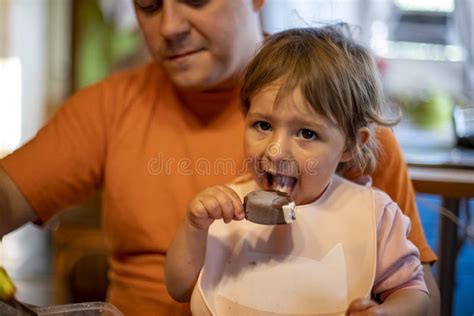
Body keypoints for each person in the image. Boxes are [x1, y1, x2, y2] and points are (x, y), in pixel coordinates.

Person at [0, 1, 438, 315]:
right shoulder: (110, 106)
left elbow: (420, 291)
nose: (170, 25)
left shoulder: (342, 109)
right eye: (149, 6)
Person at [164, 25, 429, 315]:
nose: (275, 151)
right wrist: (194, 227)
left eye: (306, 133)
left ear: (350, 145)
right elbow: (179, 288)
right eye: (263, 125)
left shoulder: (375, 215)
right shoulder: (226, 208)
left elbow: (414, 293)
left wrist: (384, 312)